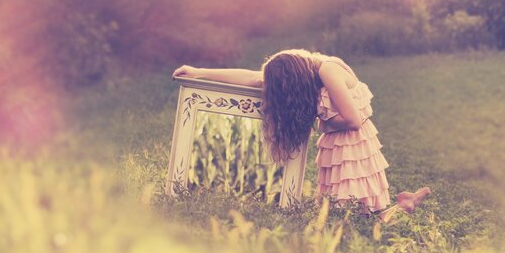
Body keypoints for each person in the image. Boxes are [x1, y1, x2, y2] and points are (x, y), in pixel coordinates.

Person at [173, 49, 430, 221]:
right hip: (337, 147)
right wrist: (199, 72)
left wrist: (324, 125)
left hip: (350, 148)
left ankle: (405, 206)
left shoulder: (327, 70)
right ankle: (403, 206)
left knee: (350, 218)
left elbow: (352, 120)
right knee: (347, 215)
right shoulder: (308, 67)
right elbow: (254, 78)